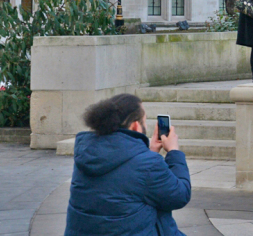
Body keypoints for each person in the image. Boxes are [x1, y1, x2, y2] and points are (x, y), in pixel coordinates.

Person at [65, 94, 191, 235]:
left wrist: (150, 152)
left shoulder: (87, 153)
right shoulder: (147, 164)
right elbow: (180, 195)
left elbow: (124, 180)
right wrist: (174, 152)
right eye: (144, 120)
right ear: (135, 125)